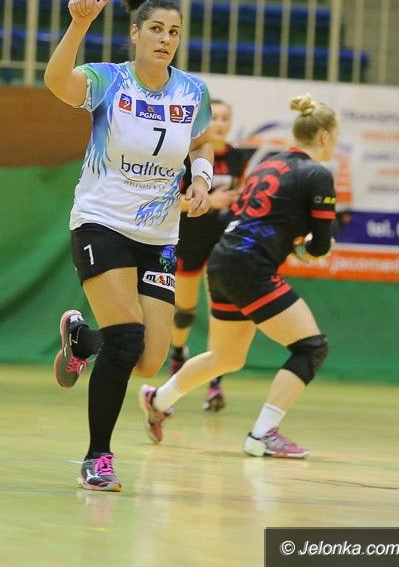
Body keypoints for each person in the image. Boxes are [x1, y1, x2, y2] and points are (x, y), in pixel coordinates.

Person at [44, 0, 213, 491]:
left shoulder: (192, 91)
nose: (165, 39)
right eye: (156, 29)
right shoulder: (108, 80)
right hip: (102, 222)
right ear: (135, 33)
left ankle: (81, 339)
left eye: (173, 32)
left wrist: (202, 179)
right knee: (125, 339)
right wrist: (77, 27)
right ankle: (97, 458)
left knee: (148, 360)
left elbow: (201, 142)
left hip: (159, 235)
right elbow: (57, 82)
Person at [138, 93, 339, 457]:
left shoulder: (268, 164)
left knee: (226, 357)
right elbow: (320, 246)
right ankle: (263, 434)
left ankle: (158, 400)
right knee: (312, 348)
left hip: (222, 260)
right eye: (335, 137)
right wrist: (309, 250)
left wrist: (297, 242)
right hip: (251, 268)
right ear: (324, 136)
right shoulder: (318, 175)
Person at [170, 99, 250, 411]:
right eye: (214, 118)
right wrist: (210, 202)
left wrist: (237, 203)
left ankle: (216, 383)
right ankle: (178, 356)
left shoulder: (238, 157)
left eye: (225, 118)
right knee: (184, 312)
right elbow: (172, 202)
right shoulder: (186, 155)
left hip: (223, 244)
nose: (220, 123)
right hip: (190, 239)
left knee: (222, 314)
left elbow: (243, 196)